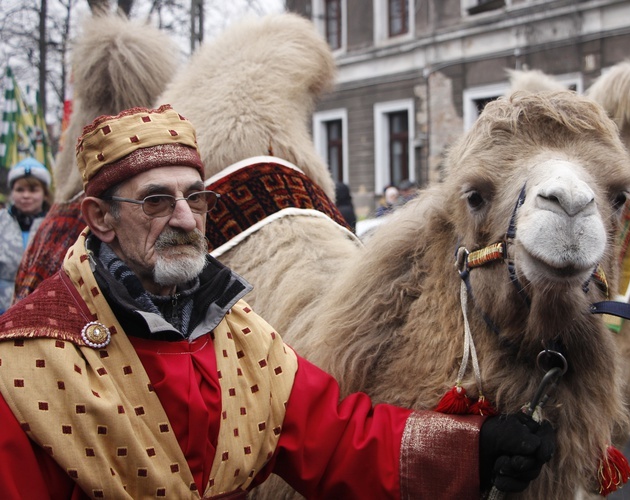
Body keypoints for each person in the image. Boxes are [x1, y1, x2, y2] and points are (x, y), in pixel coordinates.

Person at [0, 105, 555, 498]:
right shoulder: (28, 361)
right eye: (155, 200)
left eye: (196, 197)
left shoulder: (239, 333)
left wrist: (474, 449)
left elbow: (339, 439)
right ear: (100, 218)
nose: (187, 218)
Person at [0, 157, 51, 314]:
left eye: (33, 190)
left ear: (44, 193)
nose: (26, 196)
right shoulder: (1, 220)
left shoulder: (54, 225)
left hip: (40, 308)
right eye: (20, 190)